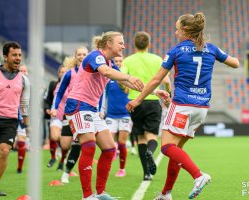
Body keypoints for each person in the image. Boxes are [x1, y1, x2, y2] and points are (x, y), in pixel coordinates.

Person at [126, 12, 240, 200]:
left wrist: (137, 100)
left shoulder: (177, 50)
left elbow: (157, 79)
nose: (175, 31)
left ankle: (198, 175)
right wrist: (218, 56)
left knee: (166, 148)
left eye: (177, 28)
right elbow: (235, 63)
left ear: (186, 30)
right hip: (201, 108)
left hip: (182, 105)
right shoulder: (211, 48)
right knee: (177, 150)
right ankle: (166, 194)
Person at [60, 31, 144, 200]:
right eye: (120, 43)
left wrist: (157, 91)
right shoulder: (95, 57)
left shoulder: (111, 63)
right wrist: (129, 76)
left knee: (109, 149)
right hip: (77, 105)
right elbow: (106, 72)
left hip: (90, 109)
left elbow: (126, 82)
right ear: (108, 44)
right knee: (89, 145)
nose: (123, 46)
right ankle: (87, 196)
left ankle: (100, 193)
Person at [0, 41, 30, 196]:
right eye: (14, 55)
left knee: (4, 151)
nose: (18, 58)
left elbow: (24, 103)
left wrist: (27, 125)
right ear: (5, 57)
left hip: (9, 121)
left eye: (20, 55)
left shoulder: (24, 80)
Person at [122, 31, 171, 181]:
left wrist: (126, 88)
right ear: (149, 44)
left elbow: (122, 80)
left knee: (140, 137)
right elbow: (167, 82)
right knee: (152, 136)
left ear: (134, 44)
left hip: (135, 101)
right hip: (152, 101)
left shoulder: (128, 60)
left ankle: (146, 174)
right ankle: (151, 152)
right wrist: (168, 96)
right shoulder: (156, 59)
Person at [51, 46, 89, 182]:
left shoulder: (92, 72)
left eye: (84, 54)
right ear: (75, 56)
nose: (82, 56)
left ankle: (66, 172)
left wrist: (100, 109)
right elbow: (60, 92)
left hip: (84, 112)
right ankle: (63, 158)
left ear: (88, 56)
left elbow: (100, 93)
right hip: (69, 113)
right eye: (79, 54)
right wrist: (55, 107)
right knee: (66, 145)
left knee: (78, 143)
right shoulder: (69, 73)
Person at [99, 56, 132, 177]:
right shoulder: (108, 80)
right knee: (109, 144)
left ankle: (122, 169)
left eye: (120, 61)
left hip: (125, 114)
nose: (117, 63)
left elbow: (130, 92)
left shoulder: (127, 78)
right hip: (111, 115)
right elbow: (104, 96)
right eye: (116, 61)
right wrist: (101, 110)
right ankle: (107, 167)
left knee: (122, 142)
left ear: (123, 64)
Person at [44, 65, 66, 168]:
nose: (63, 74)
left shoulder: (72, 85)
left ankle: (62, 161)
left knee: (65, 141)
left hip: (68, 117)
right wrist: (47, 108)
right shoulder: (53, 84)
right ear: (58, 73)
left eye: (65, 72)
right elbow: (46, 99)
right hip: (56, 115)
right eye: (61, 72)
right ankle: (53, 157)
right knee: (53, 136)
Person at [16, 64, 29, 173]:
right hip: (9, 116)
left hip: (23, 118)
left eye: (25, 71)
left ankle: (20, 167)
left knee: (21, 141)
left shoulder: (30, 87)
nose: (24, 72)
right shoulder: (12, 83)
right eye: (21, 71)